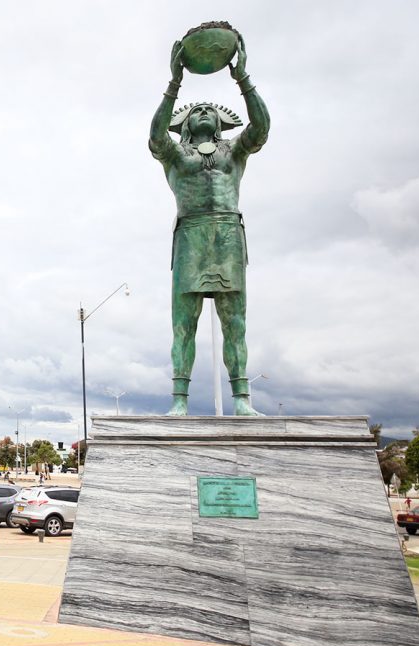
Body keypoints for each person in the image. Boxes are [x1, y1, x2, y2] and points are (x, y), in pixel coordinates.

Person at [150, 30, 268, 416]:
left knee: (235, 323)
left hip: (228, 235)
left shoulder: (234, 151)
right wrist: (174, 83)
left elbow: (261, 128)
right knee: (184, 324)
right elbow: (155, 137)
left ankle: (242, 400)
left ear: (219, 123)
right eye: (196, 110)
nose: (202, 111)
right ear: (185, 124)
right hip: (191, 235)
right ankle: (179, 400)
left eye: (209, 110)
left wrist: (242, 78)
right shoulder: (176, 155)